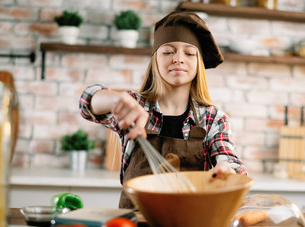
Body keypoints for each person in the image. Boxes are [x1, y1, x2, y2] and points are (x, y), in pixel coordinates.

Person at [79, 11, 247, 209]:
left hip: (189, 223)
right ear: (155, 60)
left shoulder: (212, 118)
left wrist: (226, 170)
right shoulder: (136, 106)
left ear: (198, 63)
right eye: (168, 52)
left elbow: (229, 161)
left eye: (189, 53)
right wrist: (118, 100)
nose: (178, 58)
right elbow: (87, 103)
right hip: (135, 223)